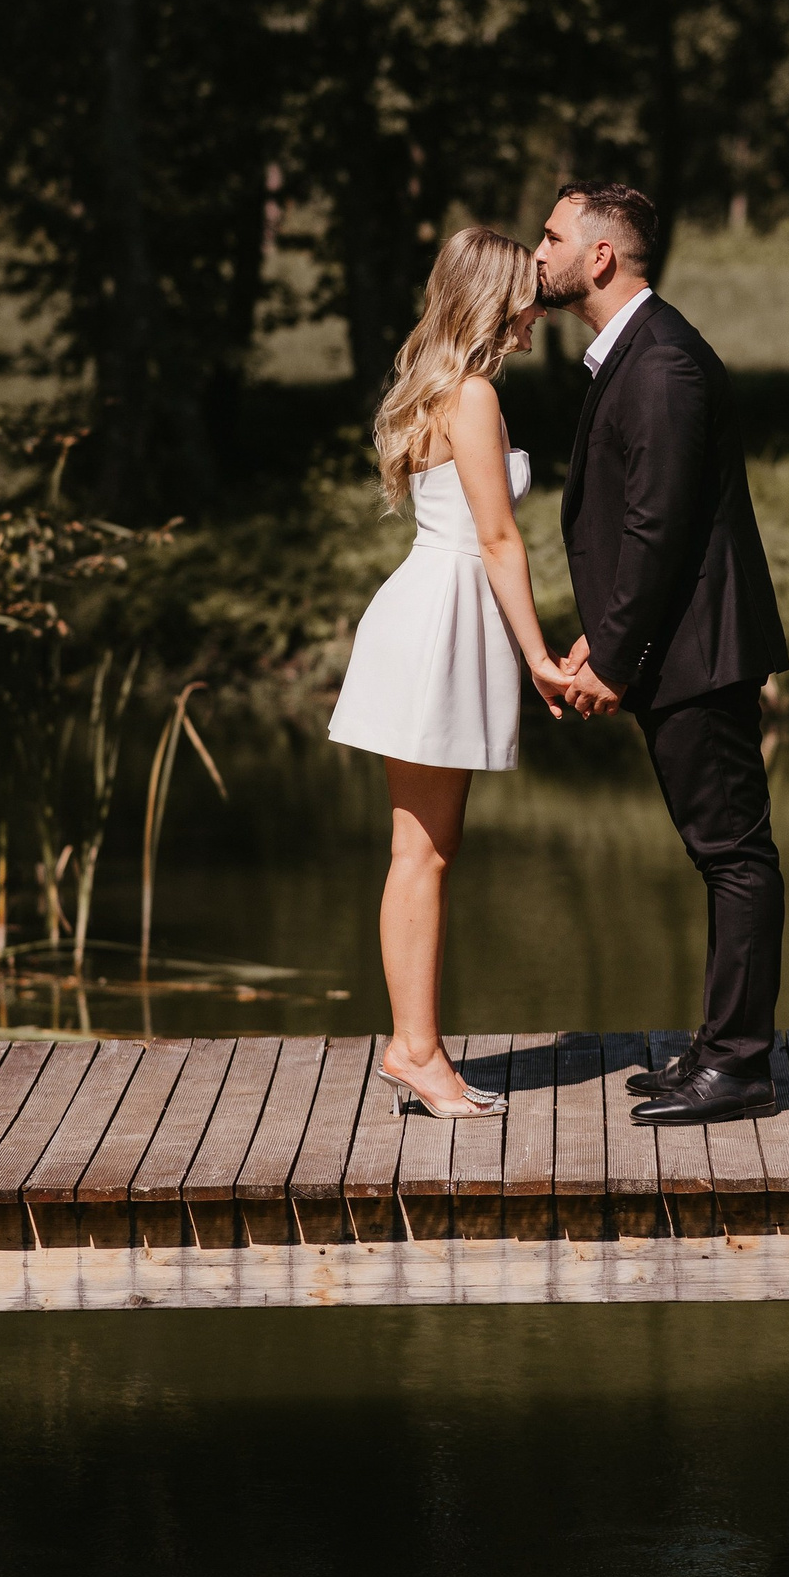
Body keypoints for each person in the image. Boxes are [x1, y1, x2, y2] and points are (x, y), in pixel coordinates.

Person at [535, 181, 789, 1125]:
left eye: (552, 237)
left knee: (734, 855)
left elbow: (660, 528)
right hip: (676, 644)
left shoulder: (664, 362)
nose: (538, 252)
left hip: (698, 651)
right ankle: (719, 1050)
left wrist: (612, 659)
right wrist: (600, 634)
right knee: (719, 852)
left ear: (600, 256)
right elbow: (642, 520)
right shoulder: (637, 352)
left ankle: (740, 1066)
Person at [328, 227, 571, 1116]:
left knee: (423, 850)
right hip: (440, 620)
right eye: (528, 300)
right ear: (495, 302)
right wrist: (540, 656)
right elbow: (497, 538)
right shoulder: (471, 396)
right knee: (424, 853)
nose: (538, 314)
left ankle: (415, 1047)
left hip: (431, 610)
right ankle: (417, 1052)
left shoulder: (442, 388)